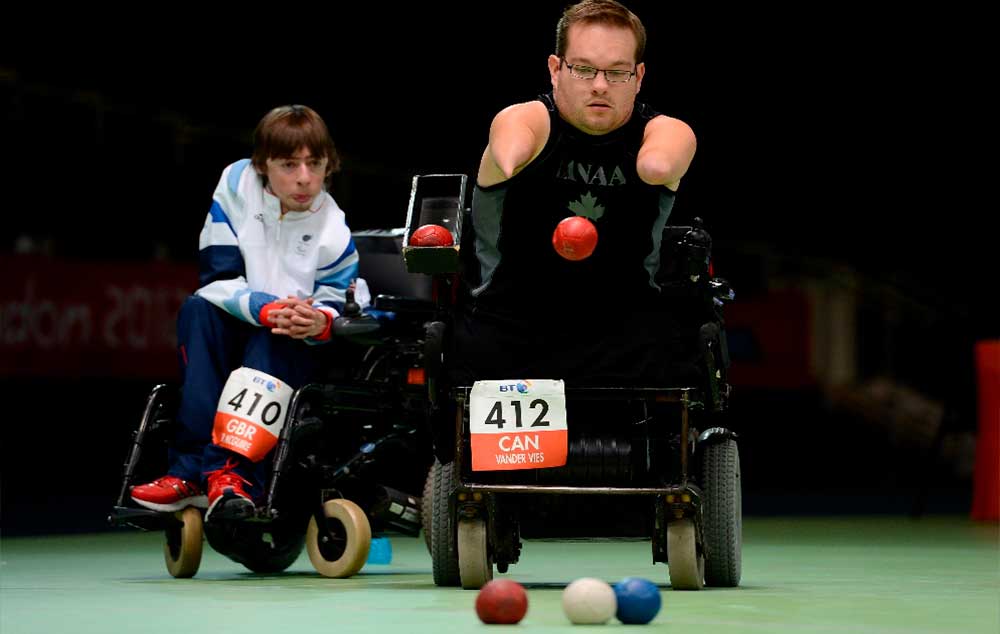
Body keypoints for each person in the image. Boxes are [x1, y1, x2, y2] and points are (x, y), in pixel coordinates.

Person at [130, 105, 367, 522]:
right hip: (238, 326)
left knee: (274, 335)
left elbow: (345, 299)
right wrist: (266, 308)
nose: (304, 178)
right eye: (288, 164)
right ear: (263, 165)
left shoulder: (334, 229)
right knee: (198, 310)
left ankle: (230, 475)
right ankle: (188, 473)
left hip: (293, 351)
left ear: (330, 165)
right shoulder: (236, 184)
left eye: (315, 164)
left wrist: (319, 321)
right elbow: (217, 276)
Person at [451, 0, 697, 387]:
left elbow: (660, 164)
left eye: (617, 73)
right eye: (583, 69)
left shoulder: (664, 132)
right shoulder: (527, 120)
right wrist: (512, 154)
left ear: (639, 76)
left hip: (627, 351)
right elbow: (511, 141)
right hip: (505, 341)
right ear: (555, 69)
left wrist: (655, 161)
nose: (599, 85)